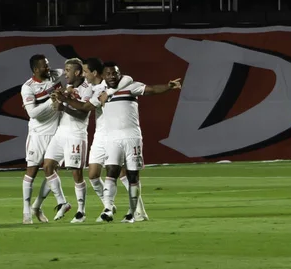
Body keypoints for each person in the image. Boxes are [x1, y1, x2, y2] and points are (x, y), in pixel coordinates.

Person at [54, 57, 149, 223]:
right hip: (99, 135)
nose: (84, 75)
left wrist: (66, 100)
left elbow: (86, 107)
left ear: (94, 73)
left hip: (111, 134)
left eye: (85, 71)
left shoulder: (107, 87)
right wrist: (68, 91)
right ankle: (109, 207)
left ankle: (137, 210)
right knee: (93, 175)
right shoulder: (94, 87)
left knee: (121, 173)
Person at [97, 61, 182, 223]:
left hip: (132, 137)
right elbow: (88, 105)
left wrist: (168, 86)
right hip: (112, 138)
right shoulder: (101, 92)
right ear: (102, 76)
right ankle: (108, 209)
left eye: (115, 73)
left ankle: (132, 212)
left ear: (119, 73)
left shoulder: (131, 86)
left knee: (133, 175)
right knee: (111, 172)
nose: (112, 76)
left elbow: (151, 90)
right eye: (108, 74)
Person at [31, 58, 94, 223]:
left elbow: (83, 114)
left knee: (76, 173)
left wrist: (64, 105)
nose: (65, 74)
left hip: (76, 134)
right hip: (61, 132)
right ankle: (62, 202)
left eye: (67, 70)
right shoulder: (69, 88)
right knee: (48, 166)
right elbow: (61, 104)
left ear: (77, 72)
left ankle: (81, 211)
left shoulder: (88, 89)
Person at [20, 54, 66, 224]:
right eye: (44, 66)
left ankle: (37, 206)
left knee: (52, 172)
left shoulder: (54, 75)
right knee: (31, 171)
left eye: (48, 64)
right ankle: (26, 211)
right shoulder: (28, 87)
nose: (48, 67)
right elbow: (33, 114)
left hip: (57, 133)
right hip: (38, 134)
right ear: (35, 69)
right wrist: (51, 100)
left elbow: (65, 69)